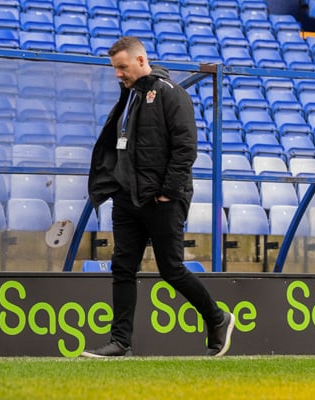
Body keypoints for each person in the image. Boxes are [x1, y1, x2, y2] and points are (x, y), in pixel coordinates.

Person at [81, 36, 235, 358]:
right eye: (115, 68)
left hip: (162, 199)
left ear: (140, 61)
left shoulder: (170, 94)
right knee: (122, 267)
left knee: (171, 269)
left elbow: (185, 148)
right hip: (127, 198)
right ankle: (120, 342)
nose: (117, 74)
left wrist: (168, 193)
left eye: (122, 67)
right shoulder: (128, 98)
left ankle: (218, 319)